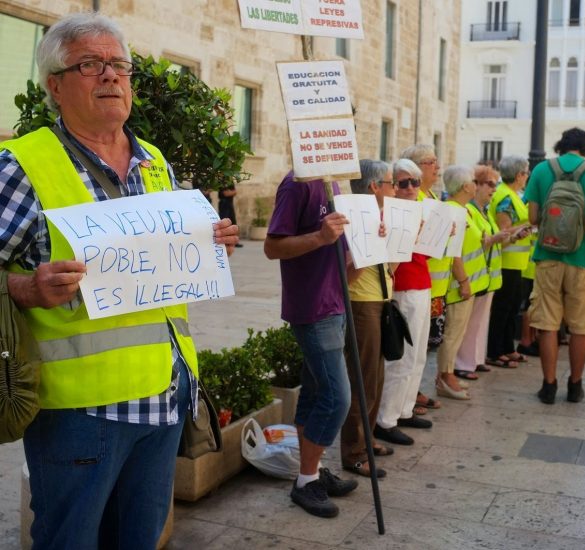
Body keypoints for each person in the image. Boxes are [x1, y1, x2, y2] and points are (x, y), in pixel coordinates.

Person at [0, 13, 240, 547]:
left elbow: (167, 262)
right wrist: (25, 288)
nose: (111, 75)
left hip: (166, 395)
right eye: (90, 64)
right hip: (82, 412)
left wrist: (210, 242)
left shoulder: (155, 162)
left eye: (120, 65)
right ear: (55, 86)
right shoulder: (22, 165)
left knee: (140, 539)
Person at [264, 172, 358, 518]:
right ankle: (305, 481)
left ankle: (312, 472)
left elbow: (343, 259)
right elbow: (272, 247)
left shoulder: (331, 181)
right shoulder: (297, 183)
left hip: (335, 303)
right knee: (337, 397)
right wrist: (320, 236)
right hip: (314, 308)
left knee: (317, 391)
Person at [525, 128, 585, 404]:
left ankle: (548, 386)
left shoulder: (542, 170)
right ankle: (575, 386)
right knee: (580, 327)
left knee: (548, 324)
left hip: (548, 256)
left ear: (561, 145)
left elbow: (533, 217)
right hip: (583, 258)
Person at [339, 160, 395, 479]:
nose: (394, 189)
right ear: (374, 186)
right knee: (362, 379)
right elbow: (350, 272)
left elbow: (387, 267)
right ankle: (354, 451)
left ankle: (367, 439)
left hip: (378, 301)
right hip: (362, 303)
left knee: (375, 378)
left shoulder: (373, 216)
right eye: (390, 183)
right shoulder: (354, 217)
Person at [375, 159, 435, 446]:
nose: (410, 188)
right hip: (402, 288)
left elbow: (424, 254)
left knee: (418, 354)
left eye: (415, 182)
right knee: (401, 357)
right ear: (394, 186)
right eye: (403, 182)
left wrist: (436, 235)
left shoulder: (416, 211)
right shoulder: (388, 213)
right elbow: (390, 258)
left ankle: (404, 409)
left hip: (421, 285)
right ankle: (386, 419)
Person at [436, 166, 490, 400]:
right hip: (457, 285)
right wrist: (464, 281)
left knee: (457, 332)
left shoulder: (463, 210)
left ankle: (446, 375)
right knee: (452, 333)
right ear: (466, 186)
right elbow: (454, 253)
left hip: (467, 283)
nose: (476, 185)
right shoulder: (453, 211)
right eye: (473, 182)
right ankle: (445, 377)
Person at [454, 165, 511, 380]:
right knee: (468, 324)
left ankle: (476, 359)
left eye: (495, 185)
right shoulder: (469, 210)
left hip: (486, 277)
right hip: (472, 276)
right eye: (490, 184)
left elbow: (490, 242)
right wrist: (494, 239)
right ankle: (463, 363)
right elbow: (475, 243)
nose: (493, 189)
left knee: (479, 322)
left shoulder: (484, 212)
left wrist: (509, 237)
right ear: (475, 185)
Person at [400, 145, 449, 348]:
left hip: (431, 281)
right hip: (413, 281)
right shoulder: (411, 198)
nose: (437, 167)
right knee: (413, 348)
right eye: (431, 162)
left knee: (423, 347)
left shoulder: (432, 196)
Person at [487, 156, 533, 366]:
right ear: (519, 175)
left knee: (512, 307)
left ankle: (507, 347)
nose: (527, 177)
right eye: (526, 173)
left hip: (516, 261)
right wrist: (524, 228)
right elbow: (503, 230)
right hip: (506, 261)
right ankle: (495, 351)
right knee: (503, 309)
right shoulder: (505, 197)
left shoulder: (512, 194)